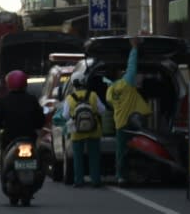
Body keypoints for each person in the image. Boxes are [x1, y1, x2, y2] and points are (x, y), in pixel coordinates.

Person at [105, 37, 151, 186]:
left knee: (121, 151)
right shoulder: (127, 83)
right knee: (142, 148)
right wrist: (134, 48)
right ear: (119, 75)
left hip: (120, 123)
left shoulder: (110, 90)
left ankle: (121, 176)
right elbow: (132, 66)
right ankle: (143, 173)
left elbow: (110, 104)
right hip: (135, 121)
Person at [0, 69, 44, 188]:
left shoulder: (4, 101)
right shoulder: (32, 100)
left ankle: (6, 179)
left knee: (3, 158)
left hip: (10, 139)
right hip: (29, 137)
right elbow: (40, 121)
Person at [63, 76, 105, 188]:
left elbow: (65, 115)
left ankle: (78, 181)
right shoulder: (93, 95)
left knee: (78, 157)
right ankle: (96, 180)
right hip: (94, 129)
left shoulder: (70, 98)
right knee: (94, 157)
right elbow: (102, 110)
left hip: (77, 131)